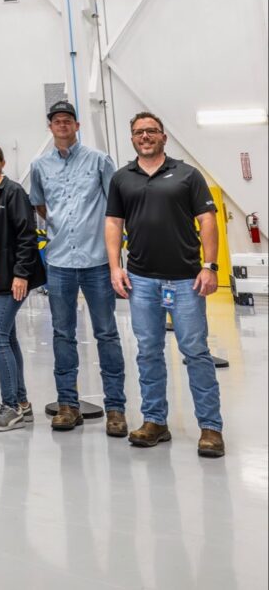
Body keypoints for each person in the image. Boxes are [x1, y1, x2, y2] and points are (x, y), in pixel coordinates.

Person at [106, 112, 225, 458]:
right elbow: (113, 223)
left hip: (186, 278)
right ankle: (155, 421)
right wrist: (116, 267)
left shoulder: (187, 175)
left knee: (195, 351)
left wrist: (210, 266)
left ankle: (211, 427)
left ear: (163, 136)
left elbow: (206, 220)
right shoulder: (121, 179)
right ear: (132, 139)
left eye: (151, 131)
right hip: (141, 279)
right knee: (148, 352)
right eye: (139, 132)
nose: (145, 136)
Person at [29, 100, 127, 436]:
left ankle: (116, 408)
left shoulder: (99, 161)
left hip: (97, 261)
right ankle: (67, 405)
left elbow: (115, 206)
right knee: (62, 335)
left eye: (67, 120)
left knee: (106, 334)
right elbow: (40, 204)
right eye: (56, 121)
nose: (62, 125)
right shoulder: (39, 166)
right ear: (50, 127)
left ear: (77, 125)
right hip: (59, 263)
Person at [0, 142, 46, 431]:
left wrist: (21, 274)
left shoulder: (12, 192)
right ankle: (22, 403)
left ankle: (10, 407)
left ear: (2, 162)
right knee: (8, 338)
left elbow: (27, 235)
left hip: (7, 277)